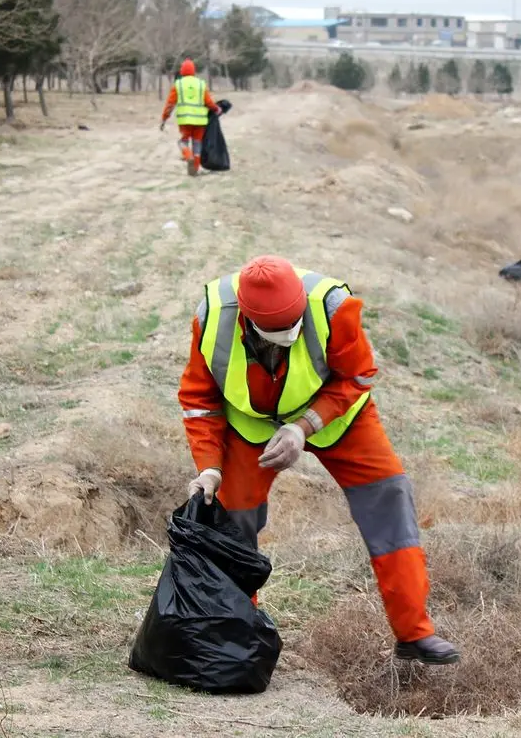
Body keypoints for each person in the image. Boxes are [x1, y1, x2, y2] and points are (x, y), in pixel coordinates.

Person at [177, 255, 460, 666]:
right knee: (232, 521)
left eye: (295, 325)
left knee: (390, 496)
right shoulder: (214, 317)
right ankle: (236, 637)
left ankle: (414, 633)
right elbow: (200, 400)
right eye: (279, 331)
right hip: (251, 424)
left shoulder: (332, 306)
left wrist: (302, 427)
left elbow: (359, 375)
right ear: (248, 321)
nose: (292, 334)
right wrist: (209, 466)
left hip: (336, 417)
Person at [160, 58, 222, 177]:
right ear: (194, 71)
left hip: (185, 120)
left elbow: (170, 104)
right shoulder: (200, 84)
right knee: (197, 144)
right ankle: (195, 170)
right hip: (200, 121)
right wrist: (216, 109)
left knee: (183, 141)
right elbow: (208, 102)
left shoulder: (178, 84)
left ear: (182, 71)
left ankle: (188, 157)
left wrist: (164, 118)